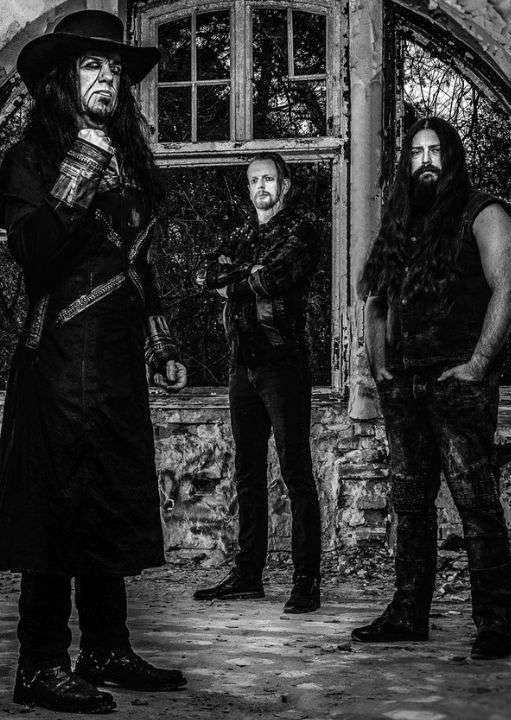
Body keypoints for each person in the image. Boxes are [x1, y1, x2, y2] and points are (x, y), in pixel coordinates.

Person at [0, 10, 190, 713]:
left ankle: (105, 648)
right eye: (91, 66)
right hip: (56, 359)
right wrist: (82, 161)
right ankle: (40, 664)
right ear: (62, 80)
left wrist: (160, 343)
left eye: (114, 68)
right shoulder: (31, 159)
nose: (107, 78)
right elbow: (34, 251)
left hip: (114, 362)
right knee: (55, 511)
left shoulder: (130, 161)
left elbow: (137, 263)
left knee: (106, 503)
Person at [355, 116, 511, 659]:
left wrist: (477, 365)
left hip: (456, 383)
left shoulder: (484, 212)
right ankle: (408, 613)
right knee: (410, 505)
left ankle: (494, 623)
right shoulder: (401, 222)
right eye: (416, 152)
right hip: (403, 384)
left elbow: (508, 291)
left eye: (435, 151)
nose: (425, 160)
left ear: (452, 157)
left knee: (476, 505)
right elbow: (375, 300)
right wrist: (380, 369)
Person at [193, 152, 324, 614]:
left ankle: (307, 580)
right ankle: (248, 575)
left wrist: (238, 280)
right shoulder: (242, 234)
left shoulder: (301, 229)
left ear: (283, 184)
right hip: (242, 365)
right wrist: (244, 277)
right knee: (247, 474)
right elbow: (204, 273)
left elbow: (276, 277)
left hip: (282, 364)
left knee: (295, 472)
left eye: (268, 179)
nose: (260, 187)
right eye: (254, 181)